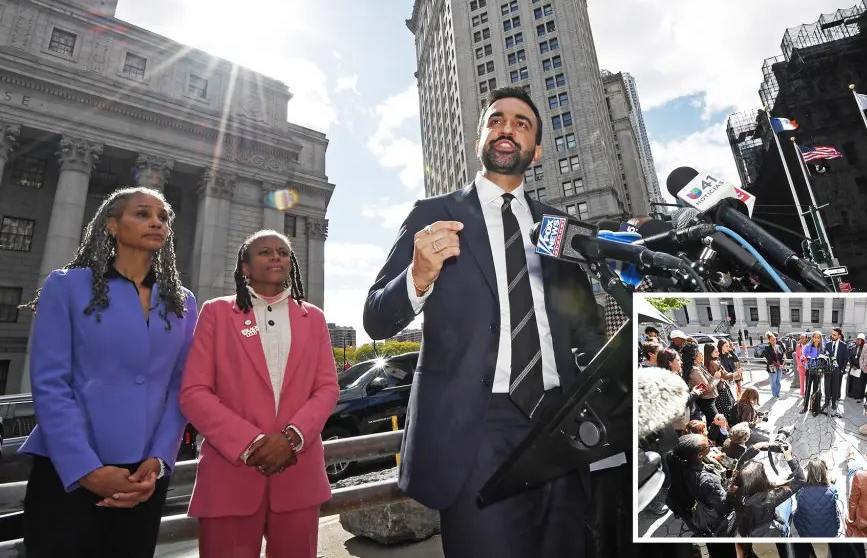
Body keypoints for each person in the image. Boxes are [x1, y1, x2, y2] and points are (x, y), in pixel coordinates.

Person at [362, 87, 605, 557]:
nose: (507, 128)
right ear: (479, 140)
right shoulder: (434, 215)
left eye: (521, 123)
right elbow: (375, 318)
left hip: (558, 424)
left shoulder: (560, 227)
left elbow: (586, 329)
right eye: (496, 120)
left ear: (535, 150)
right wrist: (418, 276)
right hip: (473, 431)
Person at [19, 187, 198, 557]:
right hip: (68, 471)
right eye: (143, 213)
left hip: (144, 477)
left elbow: (181, 385)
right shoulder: (65, 286)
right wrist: (86, 470)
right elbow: (50, 384)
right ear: (112, 226)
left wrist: (159, 460)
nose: (156, 222)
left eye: (163, 217)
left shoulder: (183, 301)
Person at [179, 231, 339, 557]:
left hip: (299, 475)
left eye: (282, 252)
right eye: (265, 252)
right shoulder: (215, 313)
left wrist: (292, 438)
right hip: (229, 477)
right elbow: (194, 392)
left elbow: (327, 388)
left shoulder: (314, 318)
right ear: (245, 268)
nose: (276, 256)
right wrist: (250, 444)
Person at [728, 445, 805, 537]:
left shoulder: (733, 490)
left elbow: (738, 471)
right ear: (762, 480)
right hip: (766, 529)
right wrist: (789, 457)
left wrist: (753, 449)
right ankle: (786, 531)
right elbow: (800, 480)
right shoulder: (769, 498)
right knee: (788, 502)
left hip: (745, 529)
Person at [792, 457, 842, 538]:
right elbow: (835, 500)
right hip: (830, 532)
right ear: (824, 472)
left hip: (807, 533)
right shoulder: (833, 489)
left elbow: (798, 500)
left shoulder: (800, 491)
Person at [683, 343, 720, 428]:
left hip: (709, 400)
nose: (702, 355)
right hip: (706, 402)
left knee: (713, 424)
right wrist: (716, 378)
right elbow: (706, 388)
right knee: (717, 424)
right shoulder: (694, 370)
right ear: (695, 356)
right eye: (700, 354)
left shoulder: (699, 366)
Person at [705, 342, 737, 417]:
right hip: (721, 390)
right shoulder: (714, 363)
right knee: (727, 411)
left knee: (723, 412)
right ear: (710, 353)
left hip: (717, 390)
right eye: (716, 351)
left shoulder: (708, 362)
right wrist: (736, 373)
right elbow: (724, 376)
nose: (718, 353)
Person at [824, 328, 849, 411]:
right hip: (828, 369)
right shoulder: (827, 345)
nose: (833, 336)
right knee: (827, 386)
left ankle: (834, 402)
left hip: (837, 370)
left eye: (834, 335)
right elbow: (825, 356)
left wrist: (842, 370)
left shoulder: (843, 345)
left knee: (835, 387)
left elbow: (846, 359)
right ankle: (827, 401)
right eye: (832, 334)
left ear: (839, 335)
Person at [800, 331, 824, 414]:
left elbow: (824, 359)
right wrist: (804, 359)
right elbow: (802, 357)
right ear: (812, 338)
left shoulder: (822, 348)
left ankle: (813, 406)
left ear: (820, 339)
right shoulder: (808, 346)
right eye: (815, 337)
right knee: (808, 388)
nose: (816, 339)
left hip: (818, 371)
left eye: (818, 337)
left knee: (815, 389)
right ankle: (805, 407)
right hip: (810, 370)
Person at [762, 331, 784, 399]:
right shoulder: (767, 347)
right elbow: (770, 359)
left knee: (778, 381)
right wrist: (778, 365)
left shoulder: (779, 346)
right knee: (773, 381)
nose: (774, 341)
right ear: (769, 340)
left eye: (775, 339)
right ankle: (774, 395)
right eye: (772, 340)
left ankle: (778, 394)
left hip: (779, 366)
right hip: (772, 366)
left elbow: (783, 356)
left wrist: (782, 364)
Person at [847, 334, 865, 404]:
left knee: (857, 383)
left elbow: (863, 359)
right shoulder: (853, 348)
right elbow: (850, 357)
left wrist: (858, 366)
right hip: (852, 367)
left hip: (859, 368)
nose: (857, 341)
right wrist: (852, 365)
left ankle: (856, 395)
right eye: (857, 339)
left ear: (862, 341)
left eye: (859, 340)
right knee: (851, 381)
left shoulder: (864, 349)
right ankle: (850, 394)